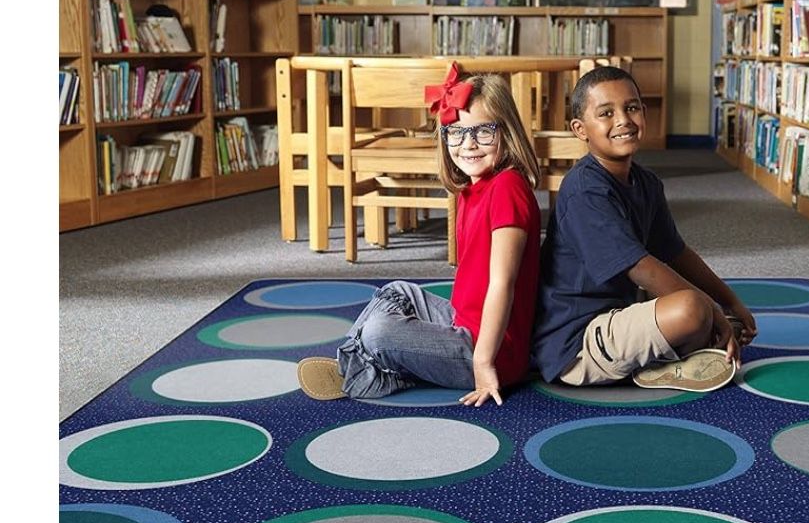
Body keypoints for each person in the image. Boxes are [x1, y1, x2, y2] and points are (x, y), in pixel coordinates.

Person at [297, 64, 541, 407]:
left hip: (491, 350)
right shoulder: (473, 188)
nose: (468, 144)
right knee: (397, 292)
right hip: (464, 320)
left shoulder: (507, 187)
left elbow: (504, 283)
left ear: (507, 131)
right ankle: (363, 362)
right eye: (455, 133)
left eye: (483, 132)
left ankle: (368, 369)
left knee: (380, 333)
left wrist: (484, 362)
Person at [531, 65, 758, 392]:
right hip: (577, 342)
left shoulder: (646, 182)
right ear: (580, 129)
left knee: (711, 317)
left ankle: (670, 352)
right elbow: (640, 268)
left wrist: (730, 302)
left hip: (621, 312)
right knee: (693, 309)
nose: (623, 119)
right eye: (606, 113)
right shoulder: (584, 190)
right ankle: (659, 364)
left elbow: (677, 253)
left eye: (632, 107)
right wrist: (712, 310)